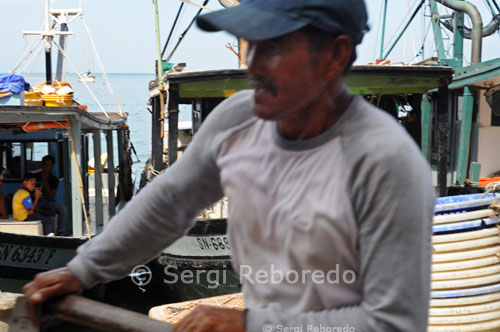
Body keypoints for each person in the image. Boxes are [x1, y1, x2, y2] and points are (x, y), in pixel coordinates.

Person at [23, 1, 435, 331]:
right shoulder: (238, 120)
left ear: (335, 55)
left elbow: (392, 322)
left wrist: (253, 325)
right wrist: (83, 269)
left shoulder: (385, 161)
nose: (252, 65)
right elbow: (168, 202)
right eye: (249, 45)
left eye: (272, 48)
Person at [35, 155, 67, 235]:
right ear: (41, 164)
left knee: (63, 209)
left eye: (49, 165)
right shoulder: (34, 176)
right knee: (39, 209)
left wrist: (45, 181)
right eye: (45, 164)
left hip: (46, 202)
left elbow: (50, 197)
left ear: (52, 166)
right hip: (34, 201)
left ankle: (60, 231)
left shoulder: (53, 179)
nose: (46, 167)